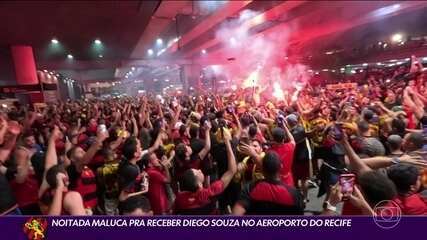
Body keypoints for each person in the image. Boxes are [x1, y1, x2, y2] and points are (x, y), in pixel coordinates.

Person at [174, 126, 236, 214]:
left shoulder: (180, 199)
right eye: (197, 172)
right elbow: (231, 171)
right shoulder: (209, 193)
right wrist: (228, 144)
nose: (199, 170)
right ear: (199, 184)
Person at [232, 152, 304, 215]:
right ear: (281, 167)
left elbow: (236, 215)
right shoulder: (294, 194)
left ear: (262, 168)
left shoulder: (250, 188)